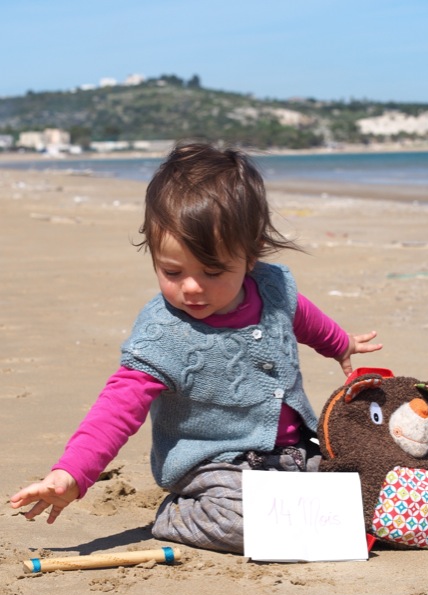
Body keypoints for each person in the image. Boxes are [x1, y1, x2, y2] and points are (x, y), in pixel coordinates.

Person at [10, 142, 382, 553]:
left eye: (213, 271)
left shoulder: (272, 287)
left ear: (251, 254)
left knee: (363, 491)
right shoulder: (162, 336)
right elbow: (115, 411)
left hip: (292, 453)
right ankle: (179, 514)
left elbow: (299, 314)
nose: (191, 287)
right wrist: (71, 475)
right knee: (248, 521)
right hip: (214, 466)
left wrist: (339, 343)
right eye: (172, 271)